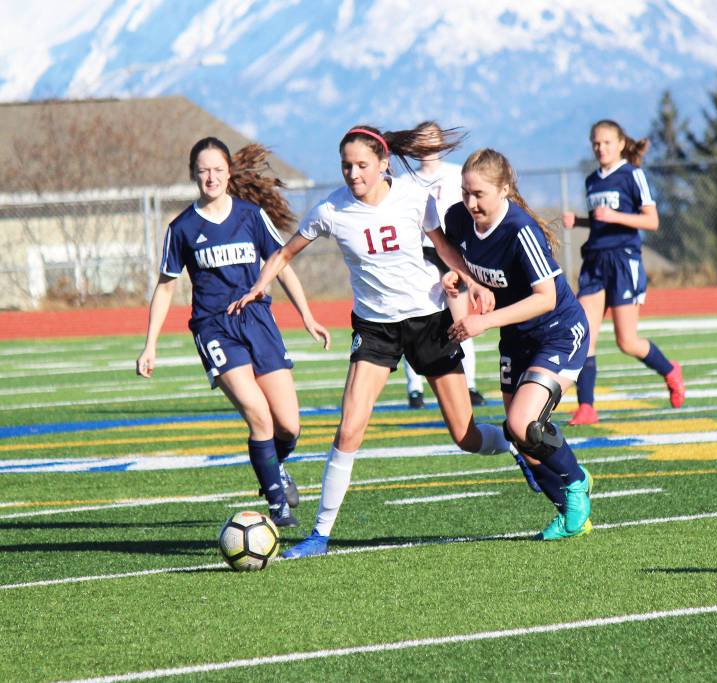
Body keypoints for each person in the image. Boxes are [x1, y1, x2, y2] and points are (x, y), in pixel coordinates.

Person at [228, 124, 511, 559]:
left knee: (465, 435)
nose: (353, 173)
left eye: (362, 165)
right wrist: (258, 287)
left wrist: (471, 282)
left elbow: (444, 249)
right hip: (375, 330)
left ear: (383, 164)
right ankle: (320, 535)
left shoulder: (415, 197)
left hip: (428, 320)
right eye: (346, 165)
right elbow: (284, 253)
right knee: (348, 428)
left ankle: (515, 443)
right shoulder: (330, 210)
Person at [136, 137, 330, 528]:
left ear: (229, 173)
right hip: (214, 328)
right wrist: (150, 344)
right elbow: (166, 285)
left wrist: (307, 316)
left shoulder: (251, 216)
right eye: (203, 170)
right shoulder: (182, 228)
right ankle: (278, 506)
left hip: (258, 321)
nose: (211, 177)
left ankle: (276, 469)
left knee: (289, 425)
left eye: (218, 169)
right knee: (258, 415)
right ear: (194, 174)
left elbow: (282, 265)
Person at [445, 148, 593, 541]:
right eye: (465, 193)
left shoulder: (519, 229)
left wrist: (483, 321)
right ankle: (568, 511)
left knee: (522, 423)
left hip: (559, 330)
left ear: (504, 189)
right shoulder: (459, 219)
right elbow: (448, 253)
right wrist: (455, 278)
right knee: (520, 437)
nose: (471, 203)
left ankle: (577, 484)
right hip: (517, 336)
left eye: (479, 194)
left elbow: (545, 297)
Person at [561, 119, 684, 426]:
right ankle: (587, 407)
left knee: (626, 341)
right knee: (584, 336)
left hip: (623, 260)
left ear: (619, 144)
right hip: (594, 261)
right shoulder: (592, 180)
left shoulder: (633, 175)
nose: (600, 148)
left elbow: (651, 221)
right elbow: (601, 221)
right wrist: (579, 222)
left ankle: (670, 370)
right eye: (595, 143)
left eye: (606, 142)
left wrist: (614, 215)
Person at [402, 121, 485, 409]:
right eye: (421, 141)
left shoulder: (455, 174)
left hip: (450, 254)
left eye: (432, 140)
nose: (426, 147)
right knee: (416, 321)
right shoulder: (405, 181)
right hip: (419, 256)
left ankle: (470, 384)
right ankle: (415, 389)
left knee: (461, 320)